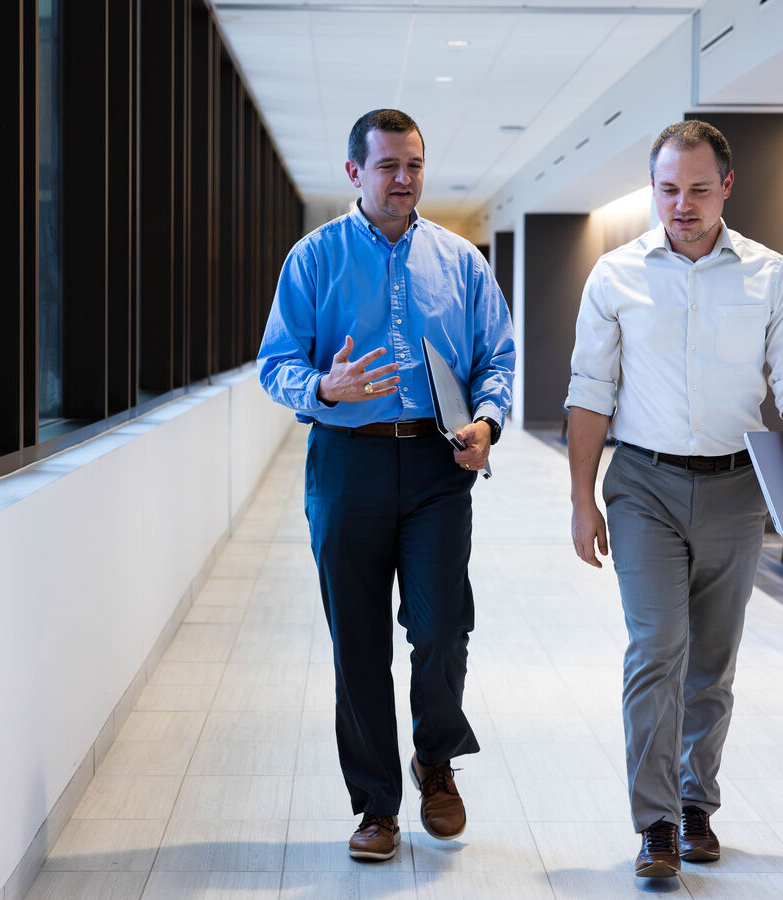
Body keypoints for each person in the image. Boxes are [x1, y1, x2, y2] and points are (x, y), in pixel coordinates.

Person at [564, 120, 783, 878]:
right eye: (668, 189)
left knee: (711, 662)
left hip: (737, 490)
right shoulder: (614, 276)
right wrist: (582, 500)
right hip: (642, 485)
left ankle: (694, 807)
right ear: (653, 188)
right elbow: (590, 394)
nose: (681, 205)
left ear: (728, 187)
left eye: (698, 189)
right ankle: (654, 825)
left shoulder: (770, 275)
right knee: (657, 650)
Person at [257, 108, 515, 862]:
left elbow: (497, 356)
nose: (403, 180)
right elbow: (276, 363)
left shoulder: (461, 262)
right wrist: (325, 389)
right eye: (387, 166)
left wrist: (489, 423)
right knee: (358, 642)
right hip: (347, 463)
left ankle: (435, 762)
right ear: (354, 174)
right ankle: (375, 806)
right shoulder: (314, 259)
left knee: (440, 628)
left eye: (413, 165)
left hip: (438, 466)